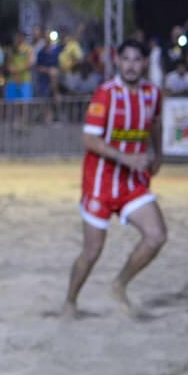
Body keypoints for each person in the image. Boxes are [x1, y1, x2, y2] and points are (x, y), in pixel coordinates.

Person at [61, 40, 165, 320]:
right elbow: (89, 139)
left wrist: (158, 152)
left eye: (137, 59)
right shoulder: (105, 94)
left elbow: (155, 122)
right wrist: (126, 158)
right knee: (92, 251)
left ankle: (119, 285)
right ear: (117, 62)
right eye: (126, 59)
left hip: (132, 184)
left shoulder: (152, 94)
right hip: (99, 184)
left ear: (144, 63)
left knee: (156, 237)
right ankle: (70, 300)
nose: (131, 65)